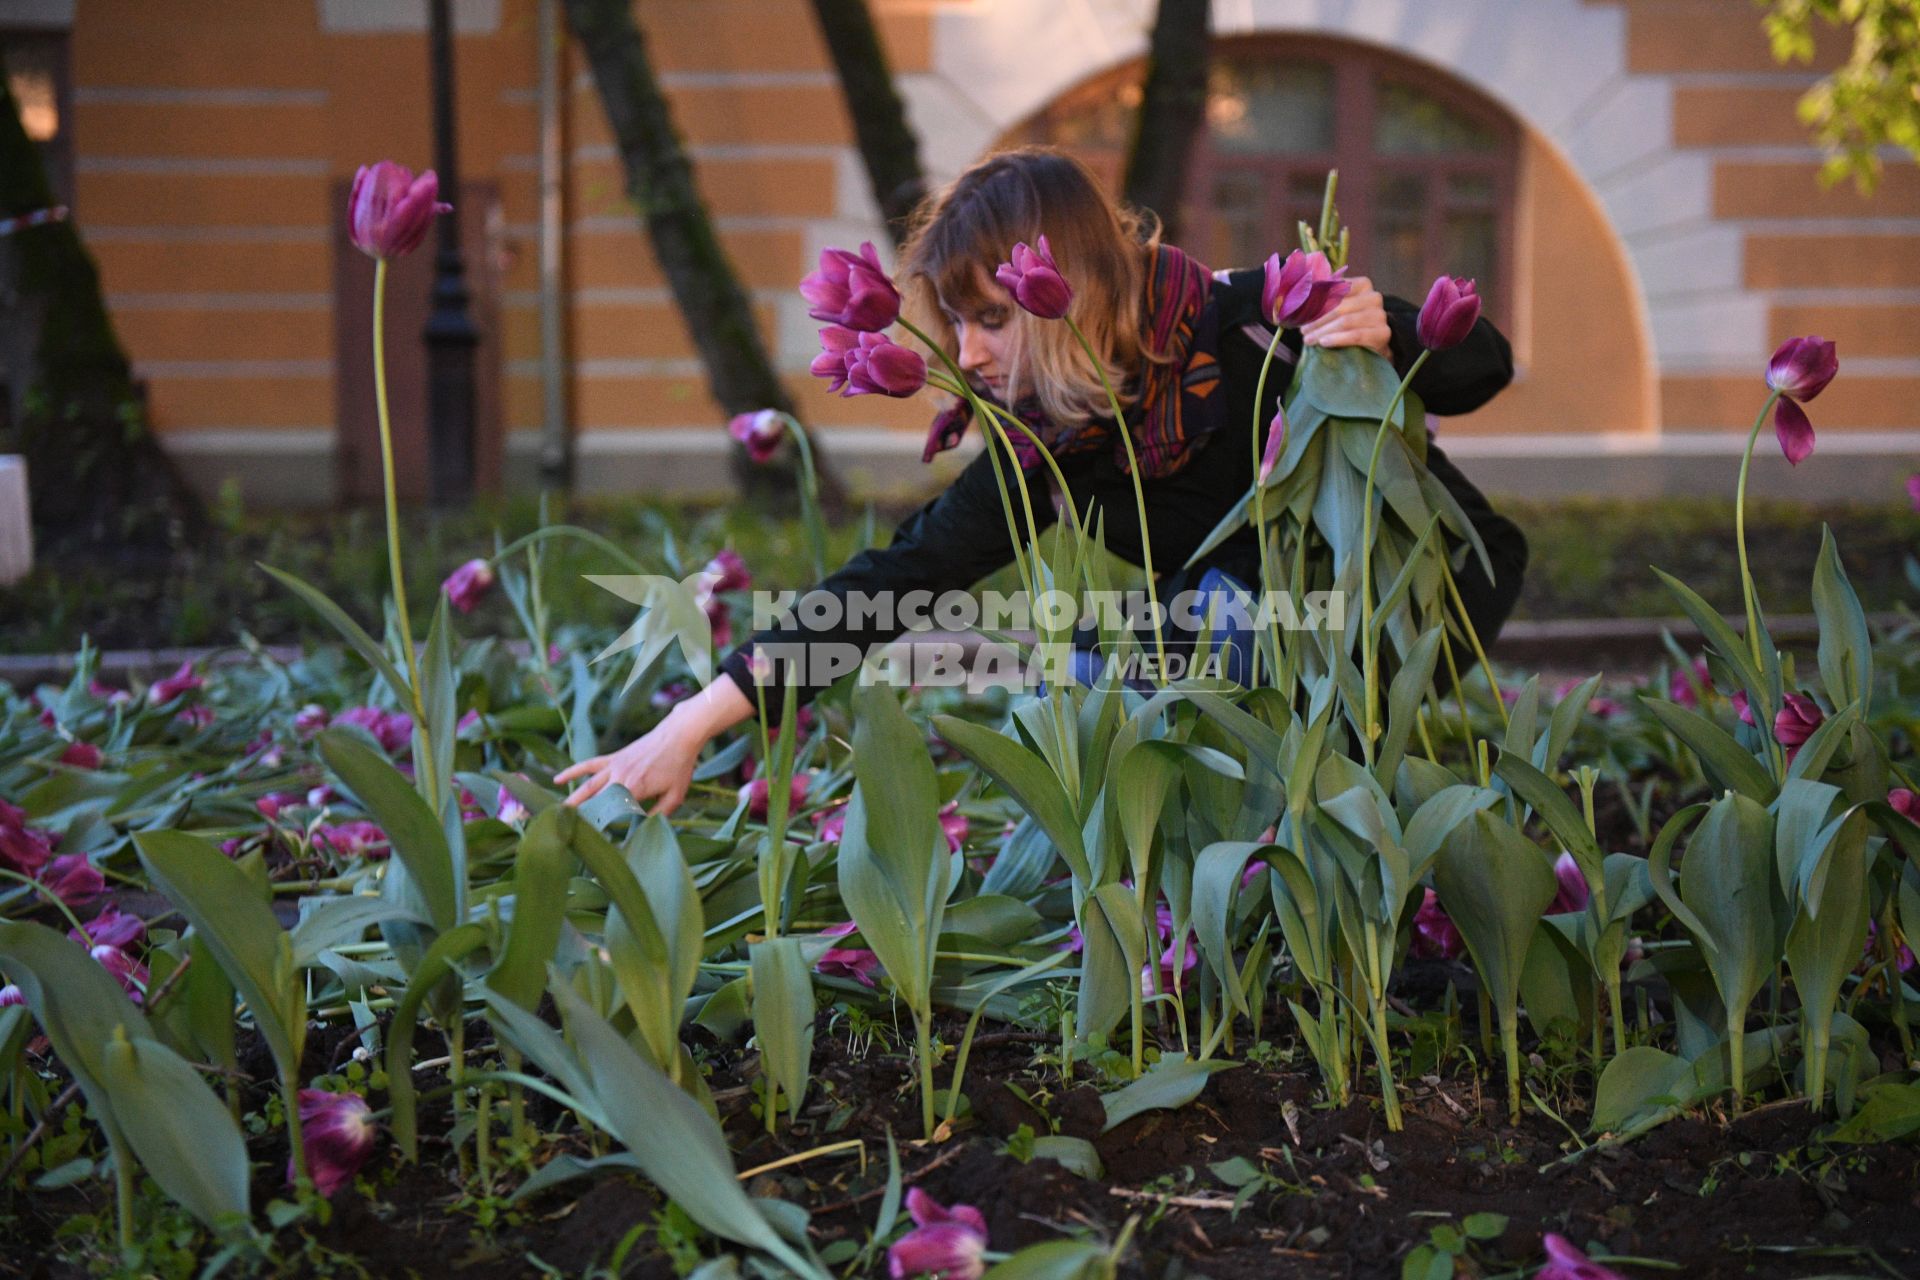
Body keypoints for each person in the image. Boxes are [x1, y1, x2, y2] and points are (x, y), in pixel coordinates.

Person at [559, 147, 1527, 813]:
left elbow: (1482, 372)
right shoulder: (1053, 442)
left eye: (991, 318)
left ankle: (1322, 876)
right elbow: (893, 584)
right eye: (957, 321)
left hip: (1416, 588)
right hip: (1262, 636)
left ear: (1072, 286)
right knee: (1094, 676)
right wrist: (689, 720)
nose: (969, 353)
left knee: (1188, 641)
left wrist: (1381, 328)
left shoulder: (1254, 321)